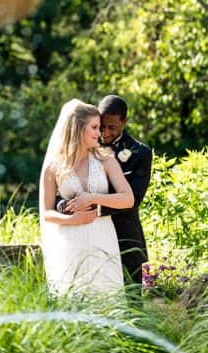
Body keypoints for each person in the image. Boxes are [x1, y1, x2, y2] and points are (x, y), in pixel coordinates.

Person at [39, 99, 134, 296]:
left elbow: (128, 199)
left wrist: (92, 198)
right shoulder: (54, 166)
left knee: (106, 297)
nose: (99, 133)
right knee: (73, 298)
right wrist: (72, 219)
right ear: (77, 128)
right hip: (70, 240)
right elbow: (47, 213)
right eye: (94, 127)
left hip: (102, 236)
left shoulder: (106, 160)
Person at [97, 95, 153, 284]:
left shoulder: (141, 153)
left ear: (124, 122)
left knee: (131, 296)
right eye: (101, 126)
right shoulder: (87, 146)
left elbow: (134, 199)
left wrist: (95, 209)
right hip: (91, 232)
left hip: (125, 233)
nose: (104, 133)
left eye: (111, 127)